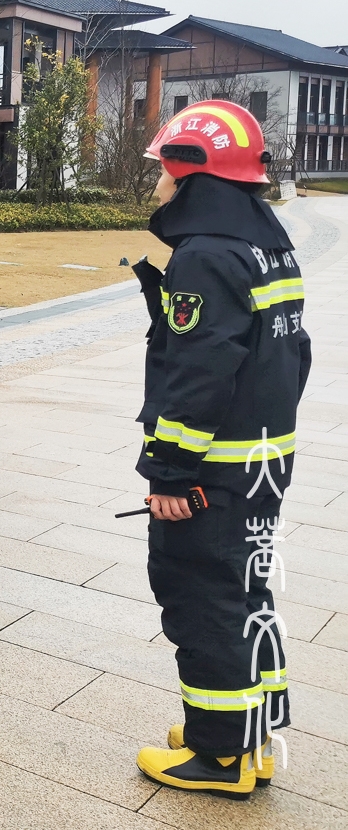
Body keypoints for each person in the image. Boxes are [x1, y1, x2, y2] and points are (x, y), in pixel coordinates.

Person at [131, 101, 308, 798]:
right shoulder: (268, 245)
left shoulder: (206, 254)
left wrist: (169, 470)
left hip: (214, 471)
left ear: (190, 171)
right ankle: (249, 734)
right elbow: (295, 356)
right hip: (263, 460)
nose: (158, 184)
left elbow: (199, 373)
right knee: (247, 593)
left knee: (203, 598)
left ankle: (218, 756)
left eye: (163, 170)